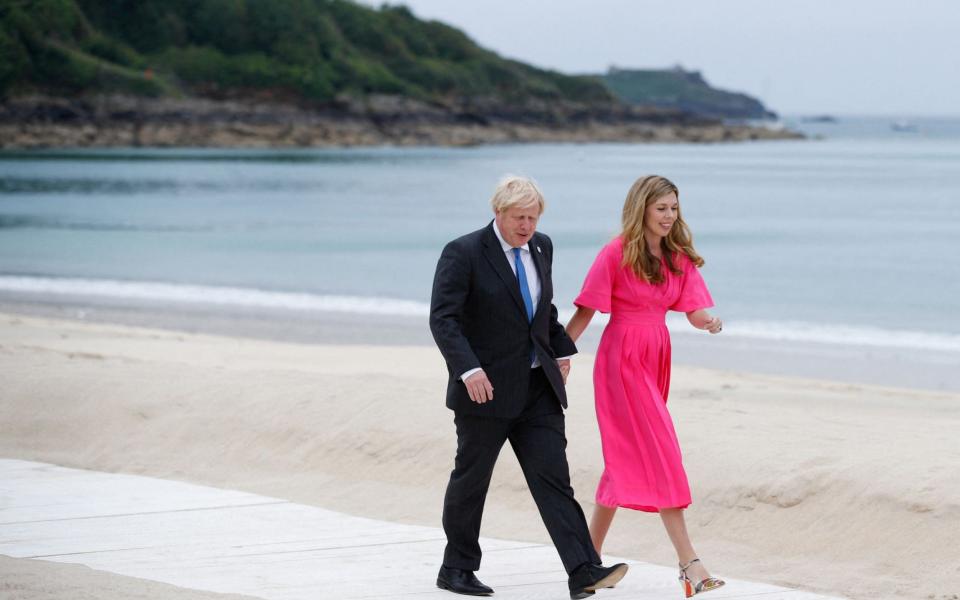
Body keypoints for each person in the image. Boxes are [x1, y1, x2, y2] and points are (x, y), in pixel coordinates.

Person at [430, 175, 628, 599]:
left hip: (538, 388)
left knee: (554, 479)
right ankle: (456, 568)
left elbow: (541, 310)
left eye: (533, 218)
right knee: (472, 480)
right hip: (485, 390)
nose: (526, 226)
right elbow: (443, 319)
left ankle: (583, 570)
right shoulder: (463, 252)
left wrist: (561, 350)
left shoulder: (542, 246)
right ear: (498, 213)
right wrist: (468, 370)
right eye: (519, 217)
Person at [564, 175, 725, 598]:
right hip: (621, 360)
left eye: (674, 208)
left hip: (655, 357)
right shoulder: (616, 252)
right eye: (662, 208)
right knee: (662, 453)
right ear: (642, 209)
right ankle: (690, 563)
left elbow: (691, 308)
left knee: (624, 460)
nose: (670, 216)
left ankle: (586, 563)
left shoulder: (676, 256)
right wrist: (558, 355)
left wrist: (708, 320)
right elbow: (586, 310)